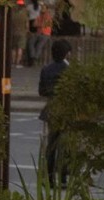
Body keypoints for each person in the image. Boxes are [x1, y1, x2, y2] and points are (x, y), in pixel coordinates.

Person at [39, 38, 72, 189]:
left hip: (51, 109)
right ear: (67, 53)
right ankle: (63, 178)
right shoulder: (69, 70)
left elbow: (41, 91)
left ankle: (49, 178)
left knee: (51, 145)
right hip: (66, 110)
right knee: (65, 145)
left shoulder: (46, 69)